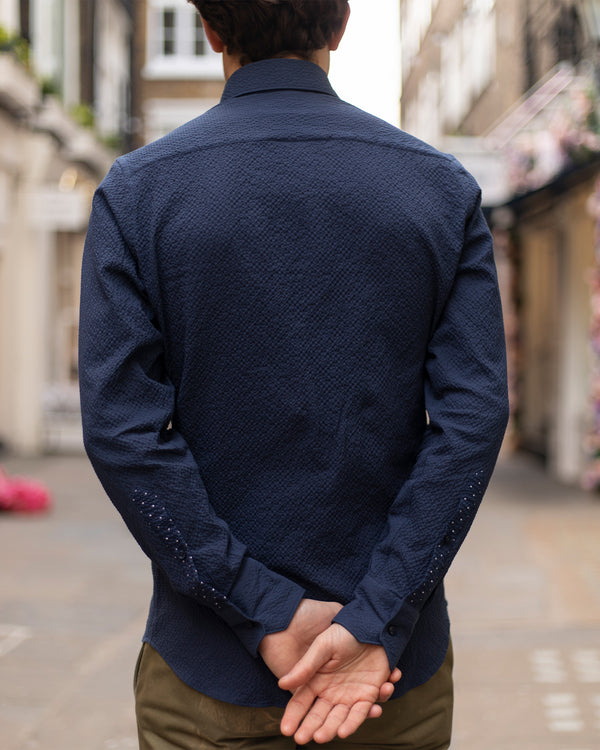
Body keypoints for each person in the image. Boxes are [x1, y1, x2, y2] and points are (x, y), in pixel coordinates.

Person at [78, 1, 509, 747]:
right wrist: (375, 616)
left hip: (205, 674)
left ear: (211, 30)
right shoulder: (440, 190)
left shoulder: (139, 193)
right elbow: (472, 424)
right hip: (388, 680)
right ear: (341, 26)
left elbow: (123, 432)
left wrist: (261, 607)